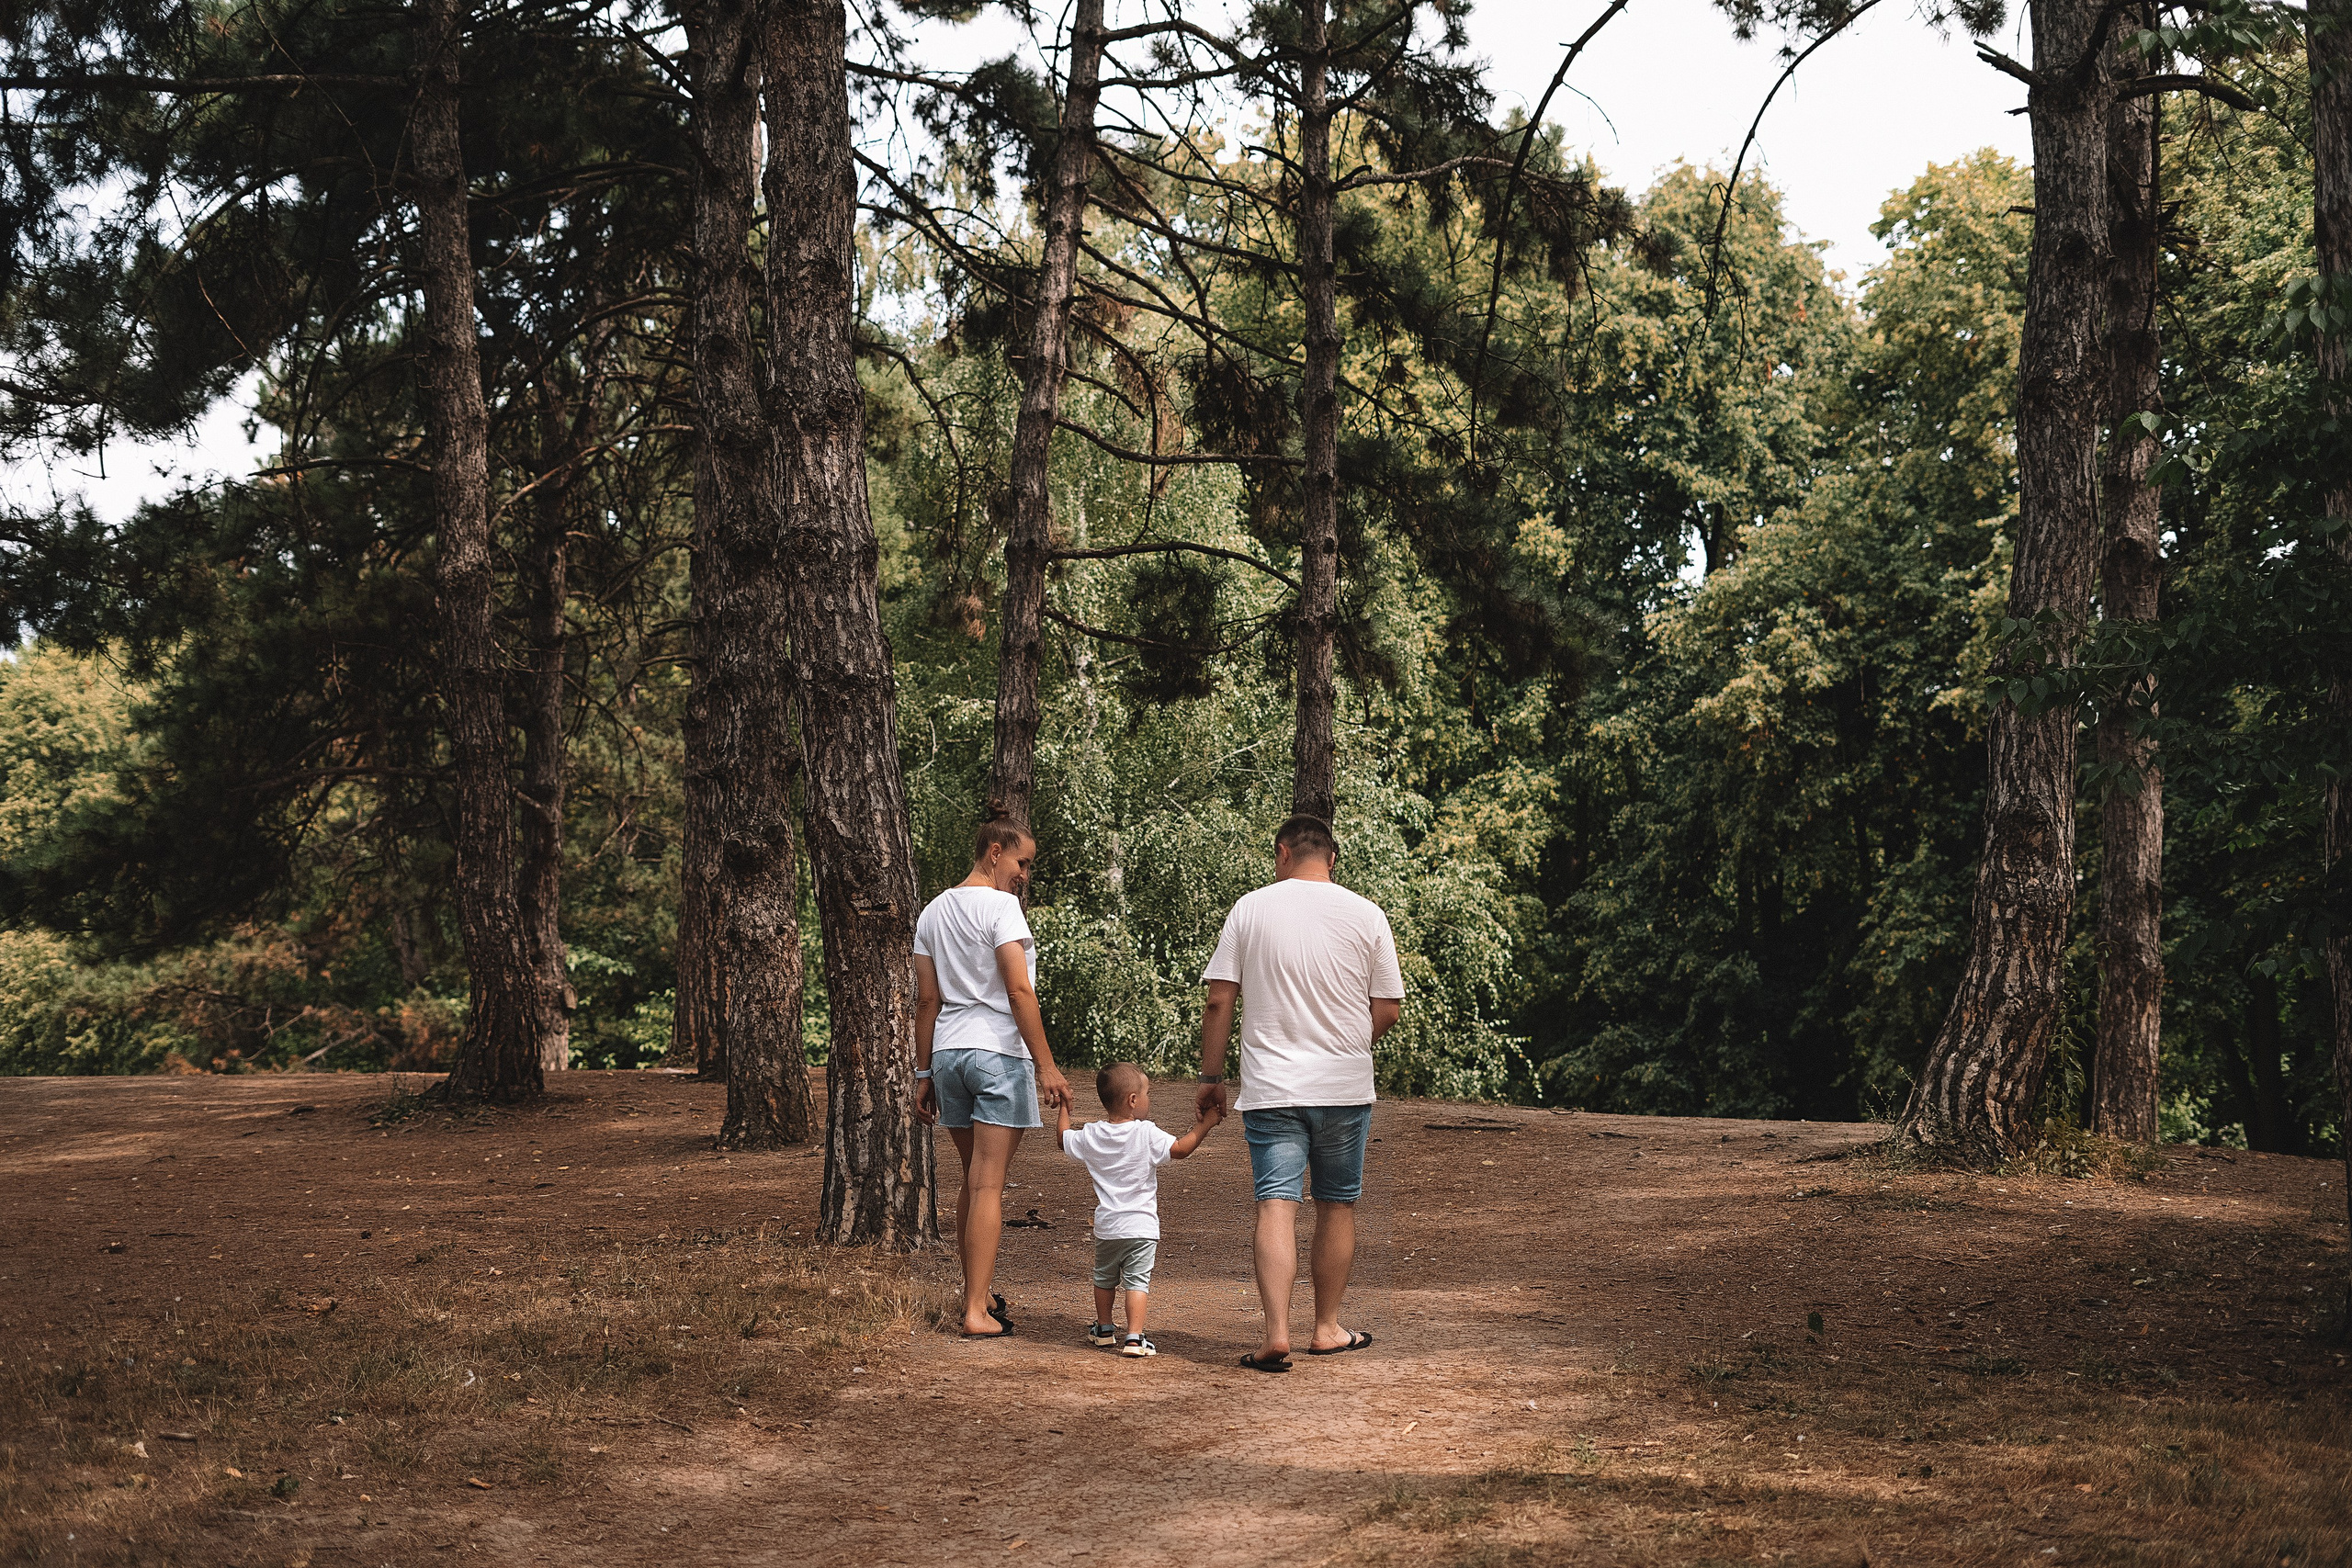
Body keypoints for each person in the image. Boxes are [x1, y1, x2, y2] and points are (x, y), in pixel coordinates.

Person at [1195, 814, 1404, 1372]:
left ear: (1283, 853)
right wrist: (1345, 1043)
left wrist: (1210, 1079)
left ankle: (1276, 1333)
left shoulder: (1251, 907)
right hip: (1344, 1085)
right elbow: (1387, 1008)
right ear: (1331, 859)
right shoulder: (1367, 914)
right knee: (1337, 1205)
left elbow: (1219, 1000)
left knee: (1276, 1202)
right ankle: (1327, 1328)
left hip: (1273, 1088)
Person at [911, 813, 1073, 1339]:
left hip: (949, 1055)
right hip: (997, 1054)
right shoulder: (1002, 908)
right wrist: (1047, 1066)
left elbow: (927, 1002)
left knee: (973, 1181)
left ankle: (973, 1296)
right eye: (1022, 862)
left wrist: (922, 1073)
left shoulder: (932, 912)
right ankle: (976, 1311)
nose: (1024, 874)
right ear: (996, 851)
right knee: (987, 1185)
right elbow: (1019, 991)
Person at [1057, 1062, 1223, 1359]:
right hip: (1142, 1227)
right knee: (1137, 1281)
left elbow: (1063, 1139)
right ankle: (1134, 1338)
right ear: (1133, 1100)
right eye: (1147, 1094)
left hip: (1108, 1227)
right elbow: (1182, 1149)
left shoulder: (1092, 1134)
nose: (1149, 1100)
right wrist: (1206, 1123)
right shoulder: (1146, 1133)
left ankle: (1105, 1329)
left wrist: (1065, 1108)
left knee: (1104, 1279)